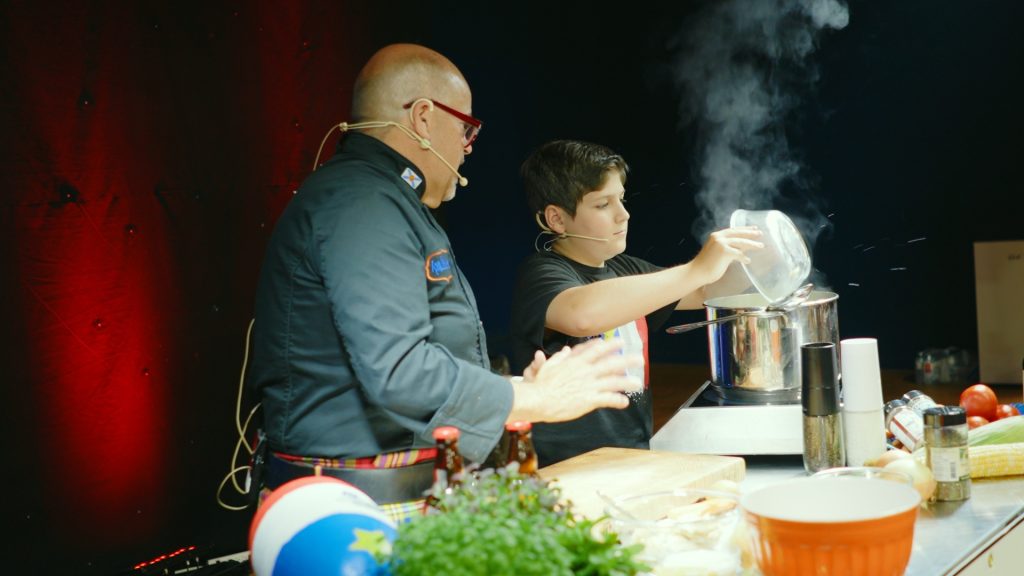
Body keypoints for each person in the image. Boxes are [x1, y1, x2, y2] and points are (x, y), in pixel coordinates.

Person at [246, 46, 641, 522]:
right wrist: (531, 398)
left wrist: (513, 386)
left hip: (378, 495)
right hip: (355, 513)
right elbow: (400, 369)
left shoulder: (388, 199)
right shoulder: (363, 205)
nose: (468, 146)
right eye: (466, 128)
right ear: (424, 117)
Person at [509, 140, 763, 466]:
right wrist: (697, 268)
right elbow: (581, 315)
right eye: (603, 205)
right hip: (562, 465)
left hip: (632, 454)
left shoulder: (626, 268)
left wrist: (753, 259)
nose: (623, 215)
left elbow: (703, 292)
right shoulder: (542, 273)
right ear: (557, 219)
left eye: (622, 200)